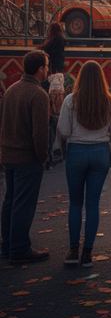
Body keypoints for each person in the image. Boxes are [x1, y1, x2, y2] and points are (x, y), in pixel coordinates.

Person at [56, 60, 111, 268]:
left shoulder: (70, 101)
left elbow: (64, 131)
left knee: (75, 203)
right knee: (92, 204)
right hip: (100, 152)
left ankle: (73, 250)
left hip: (76, 152)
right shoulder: (109, 101)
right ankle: (88, 253)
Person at [0, 50, 50, 263]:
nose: (48, 70)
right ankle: (20, 248)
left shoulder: (11, 89)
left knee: (10, 200)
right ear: (40, 69)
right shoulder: (38, 94)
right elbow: (40, 133)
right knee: (23, 203)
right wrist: (42, 157)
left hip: (8, 154)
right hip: (27, 157)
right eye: (47, 66)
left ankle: (8, 244)